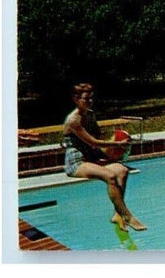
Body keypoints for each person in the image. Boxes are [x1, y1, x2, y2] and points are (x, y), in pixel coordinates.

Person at [62, 83, 146, 232]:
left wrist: (117, 143)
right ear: (76, 99)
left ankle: (117, 214)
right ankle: (127, 215)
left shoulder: (91, 114)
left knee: (122, 170)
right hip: (77, 162)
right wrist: (116, 143)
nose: (89, 102)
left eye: (91, 98)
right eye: (86, 99)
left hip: (92, 157)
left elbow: (98, 136)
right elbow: (92, 142)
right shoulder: (73, 121)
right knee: (110, 176)